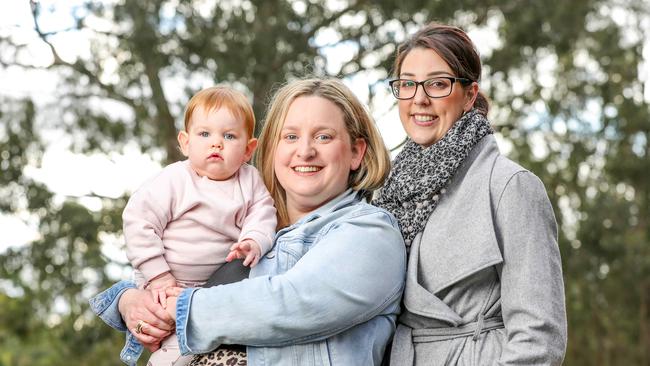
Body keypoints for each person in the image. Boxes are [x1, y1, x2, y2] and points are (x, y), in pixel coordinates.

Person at [90, 78, 406, 366]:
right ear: (271, 150)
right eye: (291, 136)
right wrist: (129, 301)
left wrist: (181, 307)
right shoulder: (254, 233)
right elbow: (182, 267)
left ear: (355, 152)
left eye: (323, 137)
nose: (305, 151)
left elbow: (291, 303)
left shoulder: (370, 232)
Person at [373, 23, 567, 365]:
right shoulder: (385, 191)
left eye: (437, 83)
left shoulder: (511, 186)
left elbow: (539, 337)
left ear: (469, 94)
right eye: (407, 84)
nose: (419, 98)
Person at [121, 86, 277, 366]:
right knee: (169, 351)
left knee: (193, 346)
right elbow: (138, 220)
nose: (216, 143)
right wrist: (158, 275)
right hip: (165, 283)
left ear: (248, 149)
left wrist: (254, 240)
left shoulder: (250, 181)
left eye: (229, 136)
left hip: (214, 290)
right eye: (204, 134)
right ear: (185, 142)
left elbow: (263, 214)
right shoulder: (175, 180)